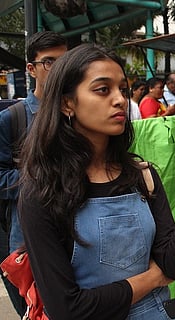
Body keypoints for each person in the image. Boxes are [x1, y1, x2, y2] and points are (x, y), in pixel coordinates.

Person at [17, 43, 175, 319]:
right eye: (102, 89)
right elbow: (67, 308)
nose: (120, 99)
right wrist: (153, 279)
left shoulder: (141, 176)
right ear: (66, 103)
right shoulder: (42, 191)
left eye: (122, 89)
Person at [0, 30, 67, 318]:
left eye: (64, 62)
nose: (58, 70)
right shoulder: (12, 119)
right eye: (50, 62)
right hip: (28, 243)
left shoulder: (77, 114)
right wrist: (39, 180)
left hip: (78, 238)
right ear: (31, 69)